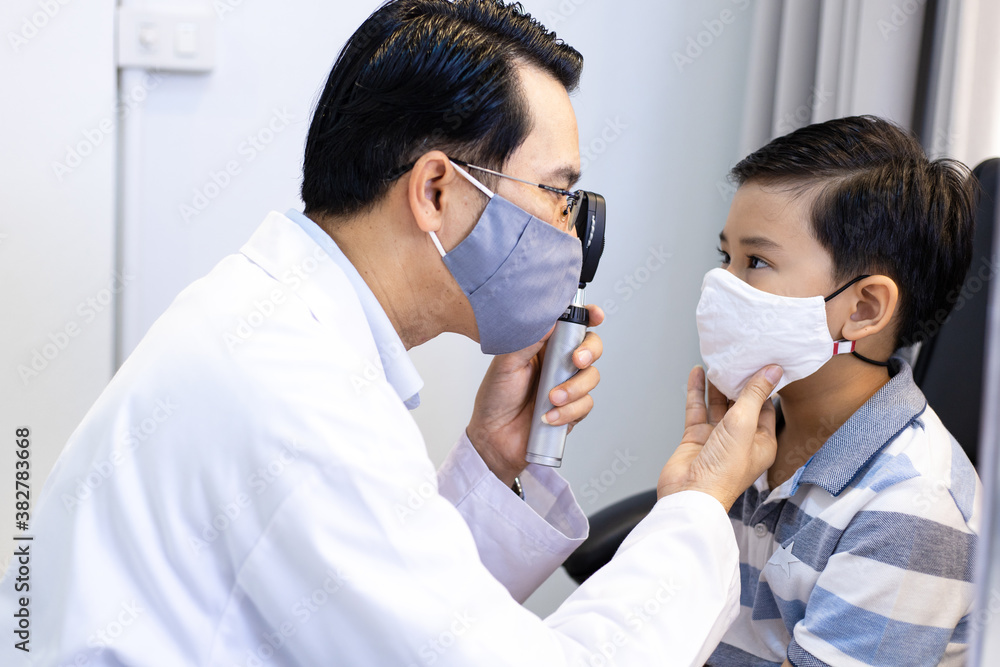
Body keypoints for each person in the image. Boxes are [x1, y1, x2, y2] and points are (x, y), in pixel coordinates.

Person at [1, 1, 782, 665]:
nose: (571, 234)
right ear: (436, 189)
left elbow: (377, 612)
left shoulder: (279, 326)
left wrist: (488, 462)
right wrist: (699, 506)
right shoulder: (296, 390)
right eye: (555, 194)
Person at [696, 116, 980, 667]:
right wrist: (694, 501)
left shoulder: (910, 505)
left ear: (864, 308)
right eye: (724, 256)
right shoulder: (748, 429)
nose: (721, 285)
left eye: (756, 262)